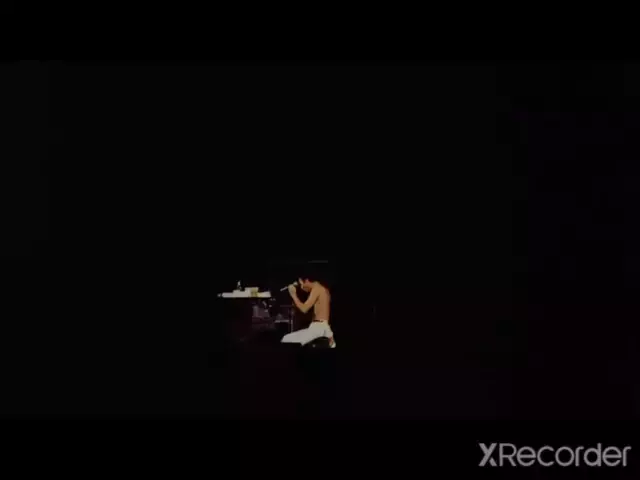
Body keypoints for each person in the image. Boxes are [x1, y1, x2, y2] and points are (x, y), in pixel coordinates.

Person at [281, 275, 336, 348]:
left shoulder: (317, 288)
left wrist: (293, 295)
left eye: (301, 284)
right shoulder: (324, 289)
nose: (301, 287)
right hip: (323, 326)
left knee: (286, 338)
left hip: (318, 328)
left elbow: (304, 309)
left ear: (306, 280)